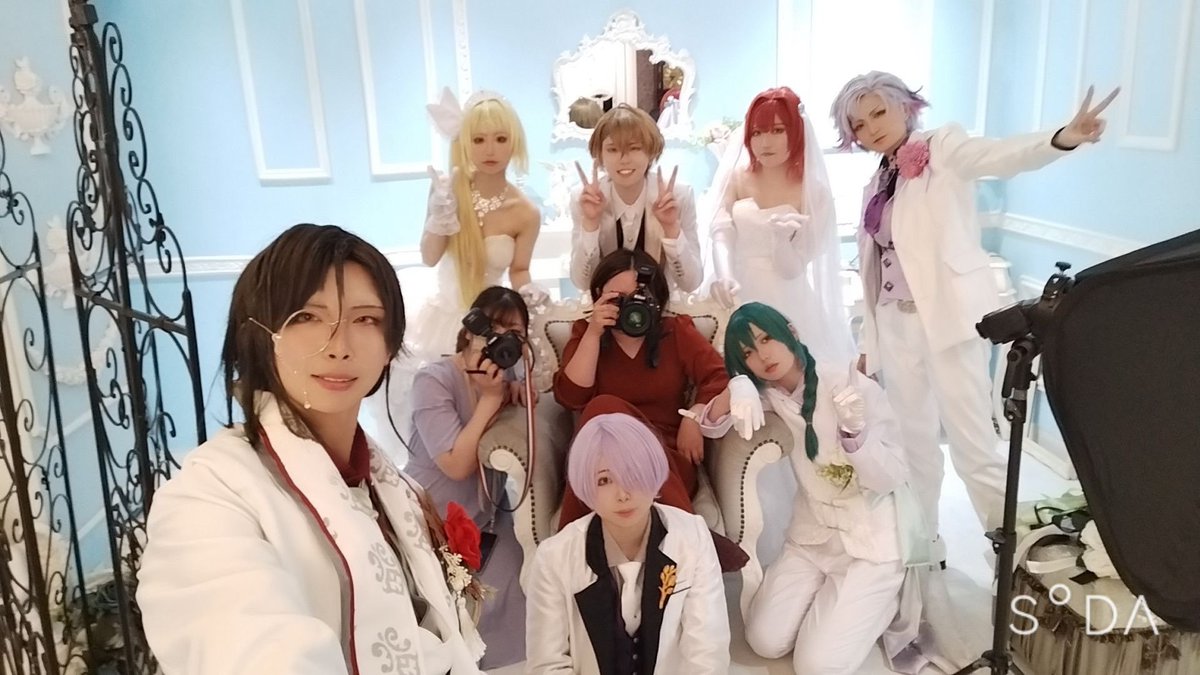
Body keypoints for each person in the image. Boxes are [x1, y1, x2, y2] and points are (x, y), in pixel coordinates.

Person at [137, 224, 487, 674]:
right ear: (257, 334)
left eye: (366, 319)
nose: (338, 347)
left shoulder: (396, 488)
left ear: (391, 345)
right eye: (305, 317)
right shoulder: (209, 498)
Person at [830, 71, 1119, 555]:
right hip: (894, 323)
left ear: (905, 107)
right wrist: (870, 343)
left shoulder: (942, 147)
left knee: (972, 445)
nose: (871, 128)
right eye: (858, 124)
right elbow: (873, 269)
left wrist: (1063, 137)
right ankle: (923, 547)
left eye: (879, 112)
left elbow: (998, 156)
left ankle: (1009, 555)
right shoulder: (876, 182)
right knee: (914, 445)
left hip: (947, 321)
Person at [701, 302, 969, 675]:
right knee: (763, 640)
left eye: (766, 339)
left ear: (790, 332)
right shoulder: (767, 396)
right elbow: (711, 425)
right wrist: (737, 386)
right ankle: (834, 603)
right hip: (814, 534)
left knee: (816, 666)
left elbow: (890, 477)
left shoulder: (846, 383)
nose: (762, 356)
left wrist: (855, 438)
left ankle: (884, 600)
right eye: (747, 353)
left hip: (871, 540)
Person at [552, 248, 750, 571]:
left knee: (604, 411)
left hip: (666, 458)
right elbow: (571, 397)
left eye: (638, 297)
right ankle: (694, 538)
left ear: (655, 298)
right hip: (604, 464)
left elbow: (719, 376)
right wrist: (593, 333)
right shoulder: (586, 334)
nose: (629, 307)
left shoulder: (675, 331)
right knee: (602, 411)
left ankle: (565, 554)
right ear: (599, 296)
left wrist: (695, 414)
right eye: (618, 298)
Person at [525, 412, 730, 674]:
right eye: (604, 480)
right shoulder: (554, 557)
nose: (622, 494)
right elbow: (547, 664)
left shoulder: (693, 536)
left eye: (633, 474)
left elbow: (708, 650)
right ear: (585, 485)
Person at [406, 286, 534, 670]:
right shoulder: (433, 380)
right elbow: (455, 464)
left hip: (488, 518)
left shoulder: (508, 373)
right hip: (432, 517)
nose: (501, 342)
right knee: (444, 619)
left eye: (515, 334)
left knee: (522, 583)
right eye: (493, 330)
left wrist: (519, 387)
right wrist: (491, 399)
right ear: (469, 331)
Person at [707, 86, 854, 367]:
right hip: (734, 288)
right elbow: (720, 230)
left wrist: (782, 241)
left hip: (788, 297)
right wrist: (724, 274)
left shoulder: (814, 192)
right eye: (757, 133)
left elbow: (792, 269)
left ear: (796, 131)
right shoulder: (737, 178)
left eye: (777, 130)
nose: (765, 142)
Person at [569, 104, 702, 294]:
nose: (624, 159)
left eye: (634, 148)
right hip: (606, 306)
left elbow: (691, 283)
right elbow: (582, 282)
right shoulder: (584, 199)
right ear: (600, 155)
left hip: (662, 305)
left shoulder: (678, 197)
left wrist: (671, 228)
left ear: (651, 152)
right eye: (613, 150)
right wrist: (591, 224)